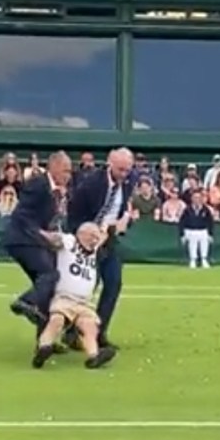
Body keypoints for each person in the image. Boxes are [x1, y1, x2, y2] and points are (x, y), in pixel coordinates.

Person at [66, 147, 134, 350]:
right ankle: (71, 332)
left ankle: (98, 332)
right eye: (120, 169)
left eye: (127, 170)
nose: (124, 174)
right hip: (87, 242)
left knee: (113, 283)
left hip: (109, 240)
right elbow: (74, 213)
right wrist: (85, 236)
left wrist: (123, 222)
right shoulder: (91, 184)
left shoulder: (129, 182)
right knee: (85, 289)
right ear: (110, 164)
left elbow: (122, 211)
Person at [32, 222, 117, 370]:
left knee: (89, 326)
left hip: (84, 302)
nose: (95, 240)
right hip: (65, 297)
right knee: (57, 320)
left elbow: (105, 234)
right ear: (82, 234)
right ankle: (43, 349)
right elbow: (53, 238)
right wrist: (37, 231)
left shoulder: (93, 249)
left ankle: (94, 356)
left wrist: (115, 221)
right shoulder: (69, 242)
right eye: (92, 236)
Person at [3, 150, 72, 329]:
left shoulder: (53, 190)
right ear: (54, 167)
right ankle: (24, 302)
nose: (68, 176)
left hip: (31, 240)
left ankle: (45, 341)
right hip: (21, 240)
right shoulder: (38, 184)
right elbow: (21, 216)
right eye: (66, 171)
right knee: (50, 275)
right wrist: (43, 234)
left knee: (46, 288)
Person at [178, 187, 214, 267]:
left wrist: (210, 234)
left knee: (204, 243)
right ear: (192, 199)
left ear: (201, 199)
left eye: (198, 198)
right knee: (192, 244)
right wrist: (182, 234)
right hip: (190, 230)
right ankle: (193, 260)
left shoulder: (206, 209)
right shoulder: (187, 210)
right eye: (195, 198)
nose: (196, 199)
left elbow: (210, 222)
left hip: (202, 230)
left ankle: (204, 259)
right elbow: (182, 222)